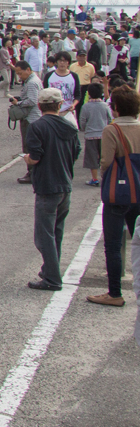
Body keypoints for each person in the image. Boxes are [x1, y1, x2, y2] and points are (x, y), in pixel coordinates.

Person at [86, 87, 140, 307]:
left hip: (119, 192)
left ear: (116, 107)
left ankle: (115, 293)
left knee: (113, 244)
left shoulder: (112, 130)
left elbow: (106, 161)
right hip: (139, 190)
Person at [23, 88, 81, 291]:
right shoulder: (70, 126)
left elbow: (35, 156)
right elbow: (76, 152)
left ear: (39, 105)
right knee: (57, 231)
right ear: (60, 104)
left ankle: (52, 278)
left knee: (44, 235)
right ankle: (50, 271)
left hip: (47, 185)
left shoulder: (37, 127)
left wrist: (27, 160)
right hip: (65, 183)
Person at [79, 82, 111, 187]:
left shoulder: (86, 107)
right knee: (104, 157)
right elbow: (110, 119)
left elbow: (82, 122)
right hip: (104, 134)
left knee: (92, 158)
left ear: (89, 93)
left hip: (90, 135)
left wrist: (84, 128)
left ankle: (95, 178)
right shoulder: (105, 105)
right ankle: (106, 178)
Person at [42, 51, 81, 126]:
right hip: (52, 112)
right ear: (56, 62)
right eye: (60, 61)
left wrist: (74, 105)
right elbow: (44, 93)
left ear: (68, 63)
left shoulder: (74, 76)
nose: (62, 63)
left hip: (67, 111)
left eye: (65, 61)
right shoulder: (49, 76)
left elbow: (78, 95)